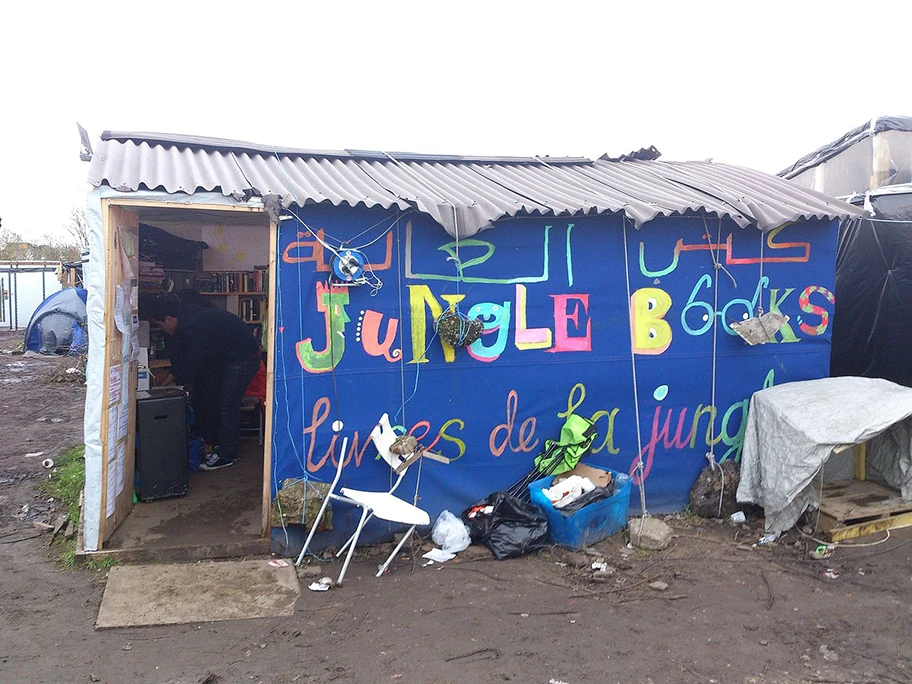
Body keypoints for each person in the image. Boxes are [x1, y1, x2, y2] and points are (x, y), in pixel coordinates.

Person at [147, 294, 261, 470]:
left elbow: (194, 359)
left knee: (228, 406)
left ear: (169, 319)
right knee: (221, 402)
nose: (162, 330)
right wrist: (175, 375)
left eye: (161, 325)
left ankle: (227, 454)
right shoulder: (189, 319)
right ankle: (225, 447)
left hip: (242, 358)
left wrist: (175, 377)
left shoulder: (194, 325)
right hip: (233, 358)